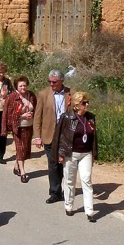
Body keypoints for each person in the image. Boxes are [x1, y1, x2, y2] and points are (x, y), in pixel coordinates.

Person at [53, 91, 98, 221]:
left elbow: (94, 138)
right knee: (69, 180)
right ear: (77, 105)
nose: (87, 105)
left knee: (86, 180)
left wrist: (94, 153)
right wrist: (60, 154)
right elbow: (59, 136)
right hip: (70, 153)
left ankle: (89, 211)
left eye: (87, 102)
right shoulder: (66, 117)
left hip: (86, 153)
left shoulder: (90, 117)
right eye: (84, 103)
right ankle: (69, 205)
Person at [33, 69, 72, 204]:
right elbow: (37, 117)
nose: (51, 84)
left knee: (65, 164)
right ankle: (55, 192)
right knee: (53, 163)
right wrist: (37, 136)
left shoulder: (70, 93)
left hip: (66, 135)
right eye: (49, 81)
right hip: (49, 134)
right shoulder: (43, 94)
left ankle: (65, 190)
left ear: (61, 81)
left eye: (54, 82)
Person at [4, 76, 37, 182]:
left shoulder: (31, 95)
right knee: (20, 148)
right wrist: (22, 116)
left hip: (29, 127)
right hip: (17, 127)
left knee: (26, 149)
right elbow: (8, 115)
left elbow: (36, 109)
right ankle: (23, 172)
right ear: (16, 87)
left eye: (24, 85)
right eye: (20, 86)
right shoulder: (12, 97)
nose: (23, 87)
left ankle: (16, 166)